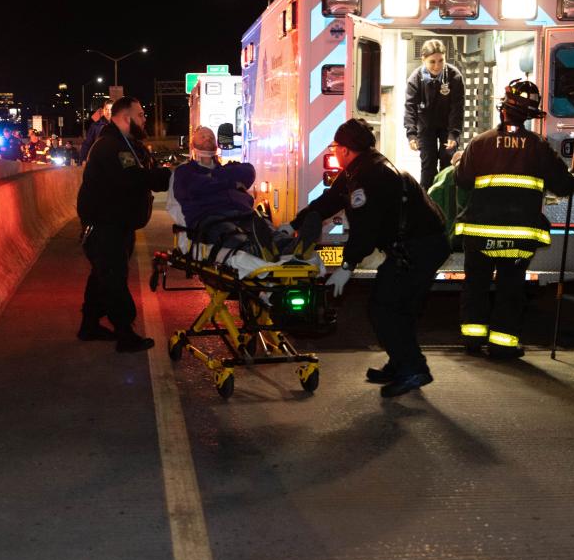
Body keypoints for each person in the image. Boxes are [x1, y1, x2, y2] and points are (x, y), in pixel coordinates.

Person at [287, 119, 449, 398]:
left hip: (419, 248)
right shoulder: (361, 168)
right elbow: (330, 201)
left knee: (385, 307)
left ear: (346, 150)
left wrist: (347, 266)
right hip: (419, 245)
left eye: (336, 147)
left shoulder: (368, 177)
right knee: (397, 306)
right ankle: (402, 363)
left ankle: (412, 368)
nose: (335, 152)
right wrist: (293, 225)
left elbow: (365, 230)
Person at [453, 79, 574, 359]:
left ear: (502, 110)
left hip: (480, 233)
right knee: (510, 288)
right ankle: (502, 345)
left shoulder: (480, 142)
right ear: (530, 116)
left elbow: (461, 180)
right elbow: (564, 187)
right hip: (518, 237)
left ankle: (472, 342)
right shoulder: (538, 147)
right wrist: (573, 178)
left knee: (476, 285)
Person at [76, 96, 171, 352]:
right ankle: (125, 334)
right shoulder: (111, 146)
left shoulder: (128, 145)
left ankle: (89, 325)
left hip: (117, 224)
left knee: (102, 275)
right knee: (114, 277)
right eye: (140, 115)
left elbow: (142, 170)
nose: (144, 119)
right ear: (126, 118)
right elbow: (133, 178)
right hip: (105, 226)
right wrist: (169, 177)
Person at [172, 126, 282, 261]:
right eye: (203, 137)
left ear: (216, 144)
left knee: (269, 230)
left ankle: (292, 246)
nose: (208, 139)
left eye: (211, 137)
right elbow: (194, 187)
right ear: (192, 145)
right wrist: (230, 183)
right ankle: (259, 252)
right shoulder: (185, 171)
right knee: (234, 237)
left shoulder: (225, 169)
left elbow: (248, 171)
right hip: (211, 218)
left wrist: (212, 176)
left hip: (244, 214)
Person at [404, 39, 466, 190]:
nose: (437, 66)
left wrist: (454, 134)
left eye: (441, 61)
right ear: (423, 60)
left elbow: (457, 108)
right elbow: (410, 107)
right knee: (428, 164)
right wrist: (411, 134)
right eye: (432, 61)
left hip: (448, 125)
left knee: (447, 160)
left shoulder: (454, 77)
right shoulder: (415, 79)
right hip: (426, 126)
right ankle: (426, 202)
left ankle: (446, 200)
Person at [80, 99, 113, 163]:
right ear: (103, 110)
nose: (108, 112)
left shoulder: (119, 126)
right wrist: (83, 159)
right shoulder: (95, 126)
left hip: (114, 160)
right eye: (106, 109)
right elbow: (87, 143)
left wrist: (129, 164)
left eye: (111, 109)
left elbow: (124, 145)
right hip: (99, 160)